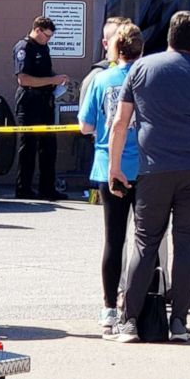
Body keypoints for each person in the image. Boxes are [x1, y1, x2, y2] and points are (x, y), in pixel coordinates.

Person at [107, 11, 190, 343]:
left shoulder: (141, 69)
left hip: (154, 171)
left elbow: (120, 123)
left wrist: (114, 167)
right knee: (187, 246)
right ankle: (179, 322)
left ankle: (129, 322)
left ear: (169, 36)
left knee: (145, 245)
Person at [78, 22, 143, 335]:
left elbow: (85, 126)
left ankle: (108, 309)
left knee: (113, 239)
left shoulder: (101, 79)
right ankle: (139, 305)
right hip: (145, 167)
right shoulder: (147, 79)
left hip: (108, 167)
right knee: (147, 242)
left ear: (115, 49)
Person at [13, 16, 69, 200]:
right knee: (28, 147)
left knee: (48, 146)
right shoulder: (24, 47)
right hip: (29, 101)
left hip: (45, 101)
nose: (48, 39)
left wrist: (58, 79)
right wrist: (52, 80)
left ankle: (48, 188)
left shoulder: (43, 47)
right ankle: (24, 189)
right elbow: (24, 79)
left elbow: (44, 72)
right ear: (37, 30)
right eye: (46, 35)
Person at [80, 16, 131, 110]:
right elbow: (85, 121)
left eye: (130, 40)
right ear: (105, 44)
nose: (126, 45)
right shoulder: (96, 77)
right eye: (120, 41)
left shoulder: (139, 72)